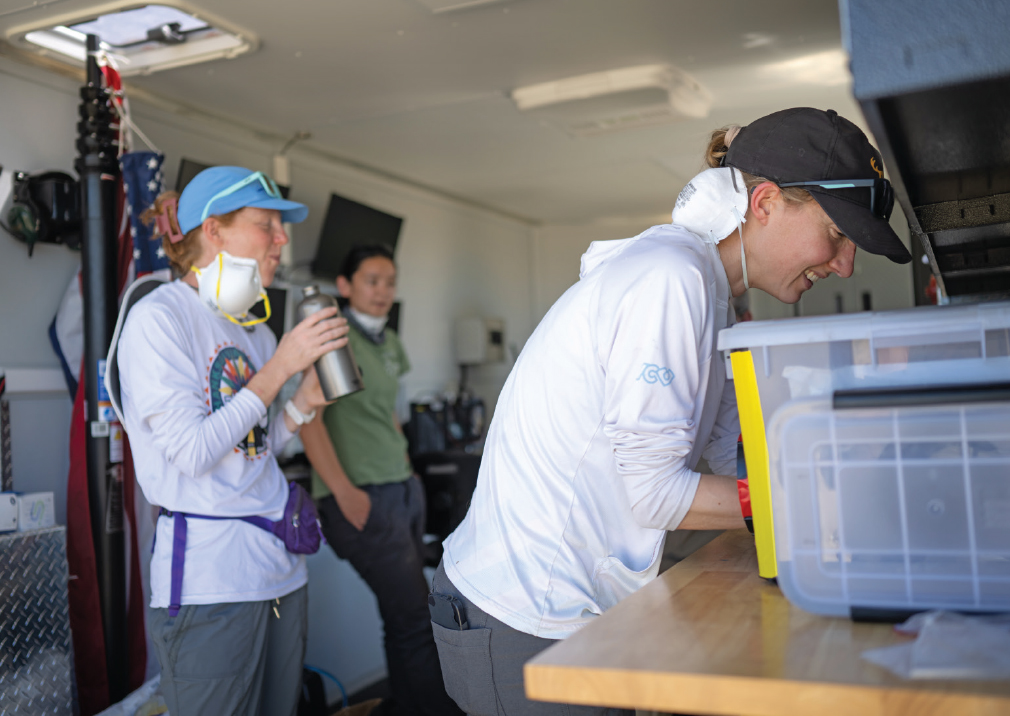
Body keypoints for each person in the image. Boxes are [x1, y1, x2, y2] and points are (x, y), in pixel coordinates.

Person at [431, 108, 912, 715]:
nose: (844, 264)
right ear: (764, 204)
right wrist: (806, 505)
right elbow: (658, 496)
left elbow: (716, 468)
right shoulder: (670, 279)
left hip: (590, 607)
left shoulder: (718, 298)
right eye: (838, 236)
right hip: (525, 612)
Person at [117, 166, 349, 716]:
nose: (281, 239)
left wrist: (301, 404)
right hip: (211, 584)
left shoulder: (255, 329)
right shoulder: (159, 319)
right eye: (266, 224)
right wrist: (279, 370)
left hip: (282, 573)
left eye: (281, 226)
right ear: (213, 232)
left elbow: (252, 453)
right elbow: (194, 453)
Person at [300, 244, 462, 716]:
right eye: (372, 280)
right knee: (416, 619)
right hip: (361, 496)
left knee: (406, 618)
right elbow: (308, 420)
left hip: (400, 489)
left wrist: (408, 468)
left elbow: (387, 410)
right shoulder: (333, 338)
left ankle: (409, 707)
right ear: (345, 286)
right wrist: (344, 493)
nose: (384, 291)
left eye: (390, 281)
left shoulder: (387, 341)